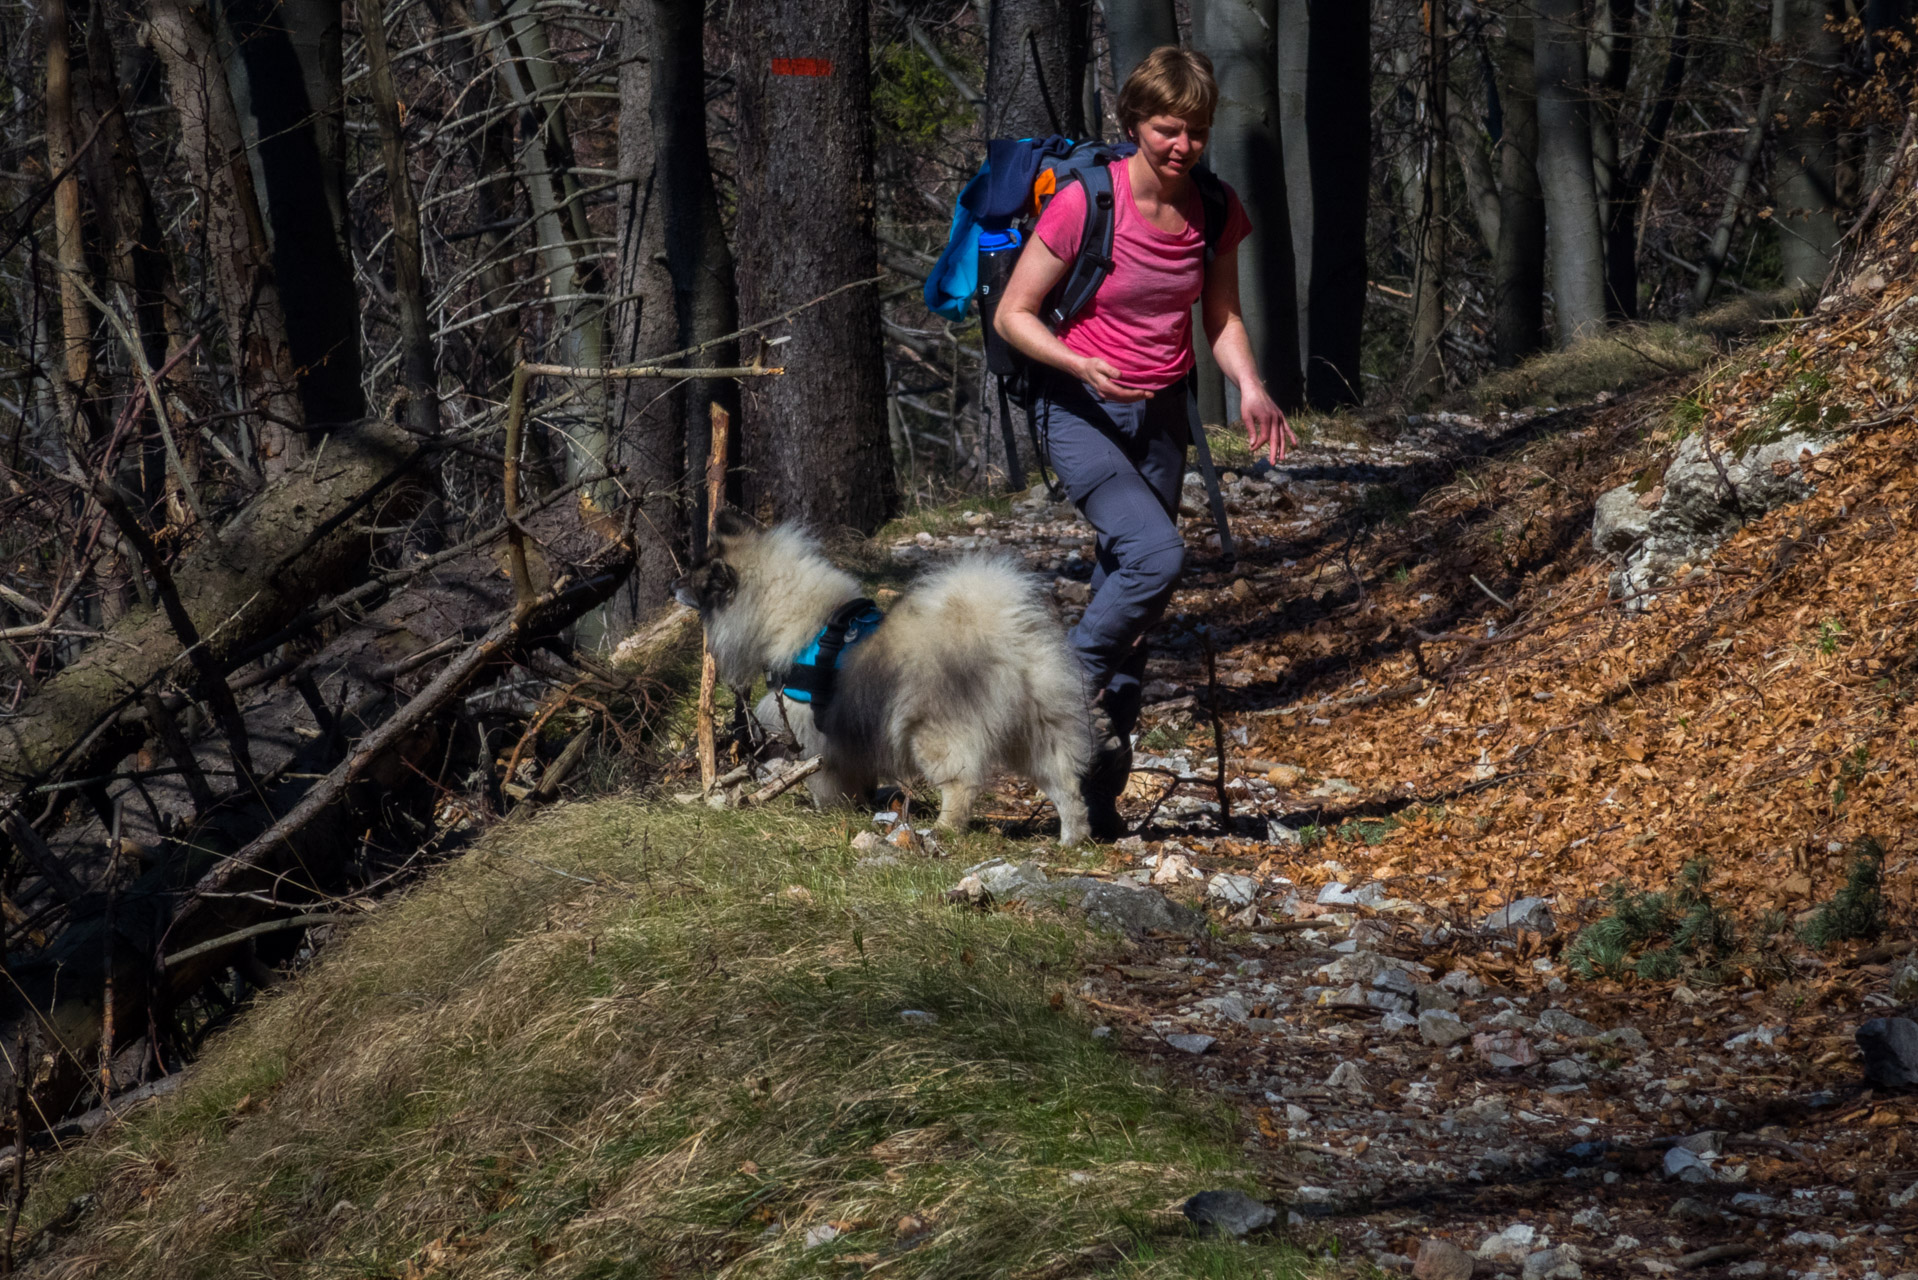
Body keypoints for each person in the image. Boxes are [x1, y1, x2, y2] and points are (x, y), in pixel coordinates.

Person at [993, 45, 1296, 840]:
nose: (1181, 146)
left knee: (1135, 596)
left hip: (1163, 415)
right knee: (1157, 556)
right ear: (1133, 124)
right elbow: (1014, 315)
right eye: (1166, 129)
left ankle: (1096, 791)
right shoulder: (1085, 203)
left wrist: (1252, 387)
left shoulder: (1216, 208)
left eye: (1195, 131)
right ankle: (1054, 696)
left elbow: (1220, 315)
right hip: (1081, 411)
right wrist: (1081, 361)